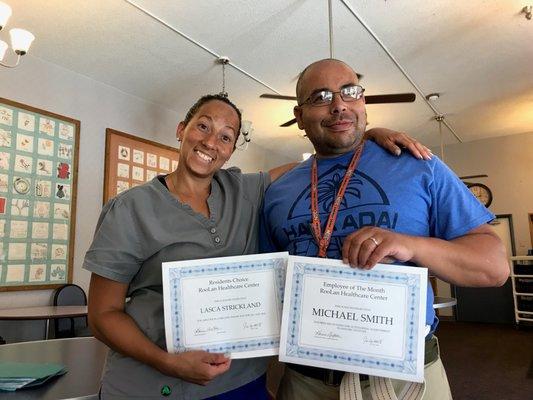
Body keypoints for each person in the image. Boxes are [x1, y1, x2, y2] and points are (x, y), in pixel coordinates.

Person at [84, 93, 432, 399]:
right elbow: (102, 317)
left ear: (231, 149)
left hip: (241, 381)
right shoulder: (129, 208)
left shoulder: (242, 190)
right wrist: (168, 363)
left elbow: (316, 164)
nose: (210, 142)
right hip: (154, 385)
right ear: (181, 129)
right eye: (203, 126)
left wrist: (363, 136)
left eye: (225, 136)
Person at [259, 59, 509, 400]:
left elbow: (493, 268)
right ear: (299, 117)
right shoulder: (278, 190)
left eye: (349, 92)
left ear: (364, 103)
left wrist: (411, 245)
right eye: (320, 97)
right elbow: (265, 287)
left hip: (406, 380)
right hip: (306, 382)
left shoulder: (419, 164)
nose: (338, 105)